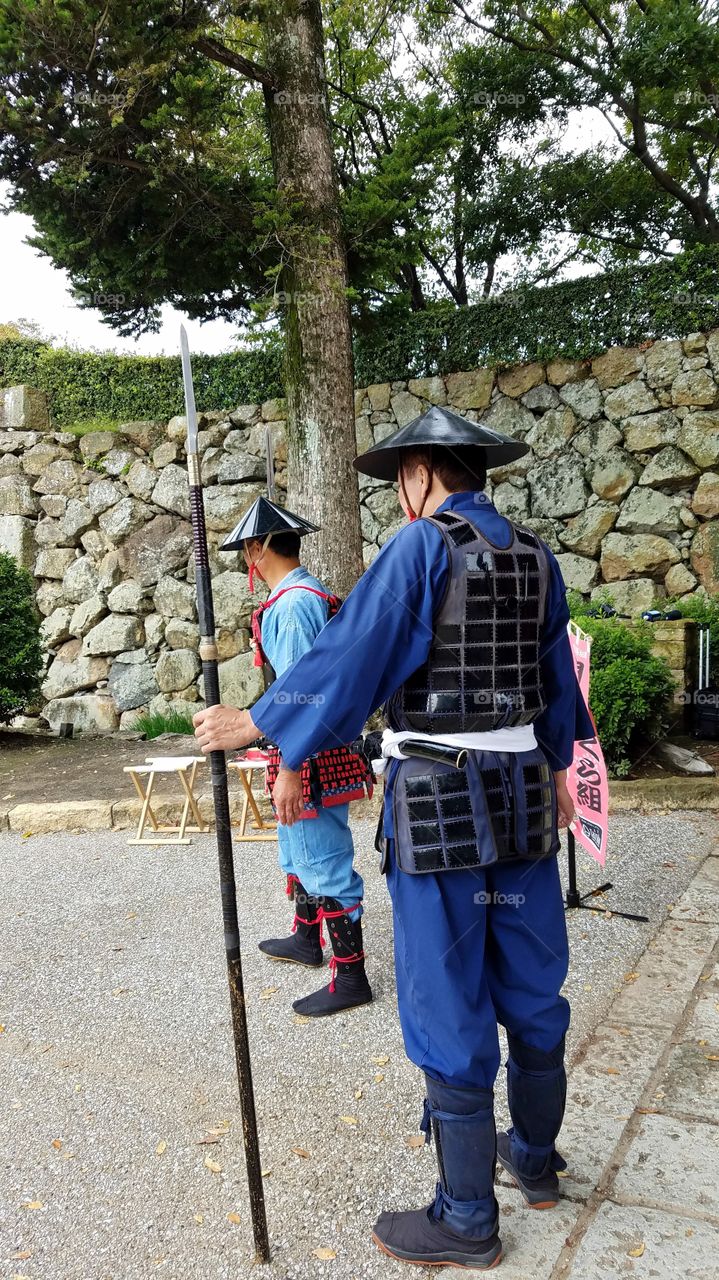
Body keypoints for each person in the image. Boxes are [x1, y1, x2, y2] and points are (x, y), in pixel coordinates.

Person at [194, 406, 594, 1271]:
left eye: (400, 480)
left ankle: (464, 1218)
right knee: (530, 981)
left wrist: (260, 722)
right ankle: (533, 1159)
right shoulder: (534, 553)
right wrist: (561, 766)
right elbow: (555, 672)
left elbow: (351, 655)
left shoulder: (419, 548)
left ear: (418, 472)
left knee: (446, 993)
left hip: (441, 803)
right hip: (524, 797)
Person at [219, 495, 373, 1017]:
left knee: (321, 856)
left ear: (257, 550)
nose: (247, 558)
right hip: (303, 746)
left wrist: (290, 767)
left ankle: (351, 976)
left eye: (247, 548)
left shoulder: (292, 604)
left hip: (308, 752)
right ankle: (308, 938)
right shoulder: (304, 596)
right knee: (298, 849)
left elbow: (304, 694)